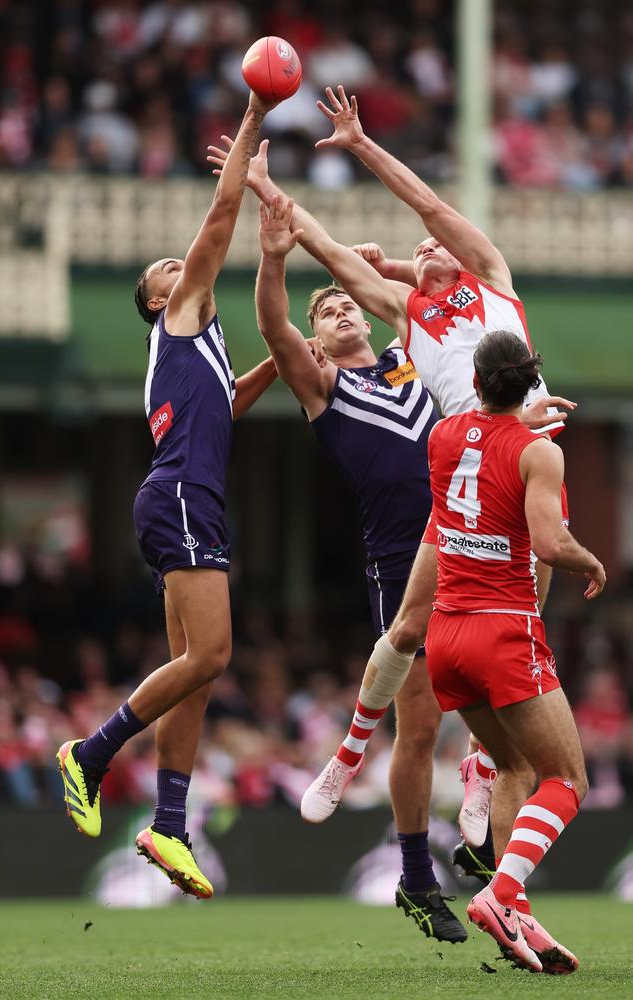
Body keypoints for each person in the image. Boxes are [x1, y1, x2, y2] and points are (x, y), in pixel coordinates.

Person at [207, 123, 571, 933]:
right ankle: (361, 778)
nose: (428, 248)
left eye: (433, 249)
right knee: (414, 675)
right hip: (433, 521)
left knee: (523, 637)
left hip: (505, 482)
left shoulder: (471, 299)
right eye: (328, 311)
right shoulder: (386, 338)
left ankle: (487, 810)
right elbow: (327, 268)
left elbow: (430, 211)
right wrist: (277, 216)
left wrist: (366, 153)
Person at [56, 88, 279, 900]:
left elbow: (228, 404)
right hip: (183, 495)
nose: (181, 267)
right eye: (167, 269)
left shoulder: (202, 349)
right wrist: (253, 121)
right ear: (158, 298)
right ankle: (89, 754)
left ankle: (171, 825)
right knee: (211, 655)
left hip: (183, 495)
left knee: (197, 668)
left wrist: (287, 359)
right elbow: (218, 222)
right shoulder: (180, 316)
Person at [255, 194, 465, 943]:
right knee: (418, 729)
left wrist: (394, 266)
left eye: (349, 304)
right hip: (398, 562)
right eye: (327, 312)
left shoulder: (414, 352)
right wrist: (277, 255)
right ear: (315, 342)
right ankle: (415, 877)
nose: (342, 309)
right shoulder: (323, 387)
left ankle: (480, 821)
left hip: (468, 544)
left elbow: (458, 283)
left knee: (493, 702)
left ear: (372, 320)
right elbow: (272, 328)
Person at [426, 330, 605, 972]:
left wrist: (512, 420)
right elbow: (549, 543)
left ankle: (517, 910)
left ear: (476, 383)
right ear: (530, 383)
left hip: (445, 633)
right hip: (503, 629)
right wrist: (592, 562)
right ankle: (500, 894)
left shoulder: (443, 436)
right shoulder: (539, 453)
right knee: (568, 778)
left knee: (514, 770)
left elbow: (481, 436)